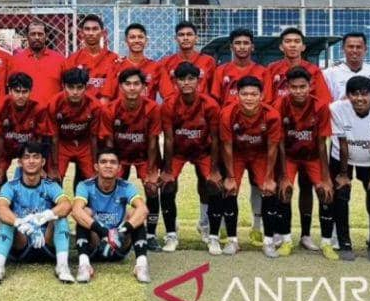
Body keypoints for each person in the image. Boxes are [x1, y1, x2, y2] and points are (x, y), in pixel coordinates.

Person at [263, 27, 330, 252]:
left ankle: (306, 234)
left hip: (309, 139)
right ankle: (282, 233)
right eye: (288, 41)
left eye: (297, 41)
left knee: (308, 187)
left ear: (303, 46)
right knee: (282, 186)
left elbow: (321, 103)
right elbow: (268, 104)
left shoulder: (314, 71)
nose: (292, 45)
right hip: (284, 136)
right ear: (281, 46)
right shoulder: (272, 70)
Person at [158, 62, 222, 254]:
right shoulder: (169, 105)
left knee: (212, 184)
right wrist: (167, 171)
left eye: (190, 79)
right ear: (175, 81)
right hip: (178, 151)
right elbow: (168, 139)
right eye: (182, 79)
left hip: (204, 151)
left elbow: (216, 138)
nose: (186, 83)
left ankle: (212, 235)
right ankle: (171, 235)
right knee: (167, 185)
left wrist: (215, 170)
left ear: (198, 81)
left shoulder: (209, 104)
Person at [0, 142, 74, 284]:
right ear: (20, 162)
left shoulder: (50, 185)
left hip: (46, 241)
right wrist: (19, 222)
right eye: (26, 157)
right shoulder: (10, 186)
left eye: (36, 157)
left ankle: (63, 266)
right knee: (6, 220)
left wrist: (42, 217)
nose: (31, 161)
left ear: (43, 161)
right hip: (21, 241)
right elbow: (1, 209)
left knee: (60, 217)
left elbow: (66, 205)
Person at [328, 76, 370, 262]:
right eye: (354, 94)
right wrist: (342, 174)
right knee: (341, 194)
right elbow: (342, 144)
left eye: (364, 94)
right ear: (347, 96)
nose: (359, 99)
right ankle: (344, 243)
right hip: (342, 157)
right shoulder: (336, 109)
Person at [98, 68, 163, 251]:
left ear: (143, 87)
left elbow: (153, 141)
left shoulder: (152, 108)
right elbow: (109, 142)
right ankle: (111, 231)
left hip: (143, 156)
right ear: (120, 86)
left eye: (136, 84)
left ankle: (150, 235)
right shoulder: (110, 109)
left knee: (151, 190)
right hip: (120, 157)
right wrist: (111, 167)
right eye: (128, 84)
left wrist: (151, 171)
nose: (132, 88)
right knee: (111, 189)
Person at [217, 76, 281, 257]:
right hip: (236, 154)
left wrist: (269, 178)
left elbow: (272, 148)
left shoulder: (272, 115)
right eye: (244, 94)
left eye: (254, 94)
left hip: (260, 155)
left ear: (261, 95)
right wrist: (230, 177)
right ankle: (232, 241)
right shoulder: (227, 113)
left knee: (268, 190)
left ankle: (268, 241)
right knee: (230, 189)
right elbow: (227, 146)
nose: (249, 98)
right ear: (237, 95)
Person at [274, 67, 333, 258]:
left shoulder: (320, 106)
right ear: (287, 87)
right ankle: (286, 240)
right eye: (294, 87)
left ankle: (322, 241)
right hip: (289, 156)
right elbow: (280, 142)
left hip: (313, 156)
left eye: (302, 87)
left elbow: (322, 142)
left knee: (325, 192)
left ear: (310, 86)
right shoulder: (280, 105)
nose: (298, 91)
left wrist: (325, 177)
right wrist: (283, 176)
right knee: (285, 191)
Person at [72, 148, 151, 283]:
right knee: (84, 213)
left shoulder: (126, 186)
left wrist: (120, 233)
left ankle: (141, 265)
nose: (108, 165)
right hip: (96, 241)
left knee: (135, 213)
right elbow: (76, 211)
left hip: (120, 242)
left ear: (119, 167)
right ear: (96, 166)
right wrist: (103, 232)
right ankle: (84, 265)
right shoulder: (85, 185)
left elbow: (143, 210)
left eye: (113, 162)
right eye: (103, 162)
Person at [0, 72, 55, 189]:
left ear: (30, 92)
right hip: (5, 149)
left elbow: (40, 139)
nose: (21, 96)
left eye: (24, 92)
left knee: (40, 179)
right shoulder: (0, 106)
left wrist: (40, 167)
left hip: (28, 150)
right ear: (10, 91)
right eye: (17, 91)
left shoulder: (38, 109)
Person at [47, 68, 105, 189]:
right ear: (64, 86)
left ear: (86, 87)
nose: (75, 92)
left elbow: (94, 137)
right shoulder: (54, 103)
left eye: (79, 87)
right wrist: (54, 166)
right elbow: (54, 137)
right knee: (54, 180)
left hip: (84, 144)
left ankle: (88, 206)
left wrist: (95, 165)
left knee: (94, 180)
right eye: (71, 87)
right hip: (62, 143)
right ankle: (55, 206)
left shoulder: (95, 105)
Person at [66, 14, 123, 103]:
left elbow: (118, 91)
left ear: (103, 33)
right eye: (87, 29)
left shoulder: (114, 59)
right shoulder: (73, 60)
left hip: (106, 111)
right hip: (81, 112)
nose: (91, 33)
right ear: (81, 33)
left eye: (95, 29)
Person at [10, 20, 65, 107]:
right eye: (33, 34)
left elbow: (66, 89)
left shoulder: (60, 60)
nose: (37, 37)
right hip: (25, 115)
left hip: (51, 114)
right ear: (27, 36)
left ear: (46, 36)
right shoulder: (15, 60)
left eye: (40, 34)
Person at [159, 21, 217, 103]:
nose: (185, 38)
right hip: (175, 109)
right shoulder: (165, 62)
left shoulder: (208, 61)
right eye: (181, 35)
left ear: (196, 38)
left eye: (189, 34)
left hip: (201, 109)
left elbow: (213, 90)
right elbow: (165, 90)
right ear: (176, 39)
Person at [325, 32, 370, 101]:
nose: (354, 50)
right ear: (343, 49)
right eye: (351, 47)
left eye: (359, 47)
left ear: (365, 49)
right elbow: (326, 104)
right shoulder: (330, 74)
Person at [107, 23, 162, 102]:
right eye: (132, 37)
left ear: (146, 41)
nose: (136, 40)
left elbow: (169, 95)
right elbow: (106, 97)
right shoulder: (115, 66)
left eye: (140, 37)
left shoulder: (156, 67)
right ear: (126, 41)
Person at [211, 28, 265, 106]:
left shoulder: (263, 72)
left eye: (246, 43)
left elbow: (266, 100)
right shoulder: (220, 71)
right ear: (231, 47)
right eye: (237, 43)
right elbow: (216, 100)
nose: (242, 47)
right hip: (228, 117)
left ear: (252, 47)